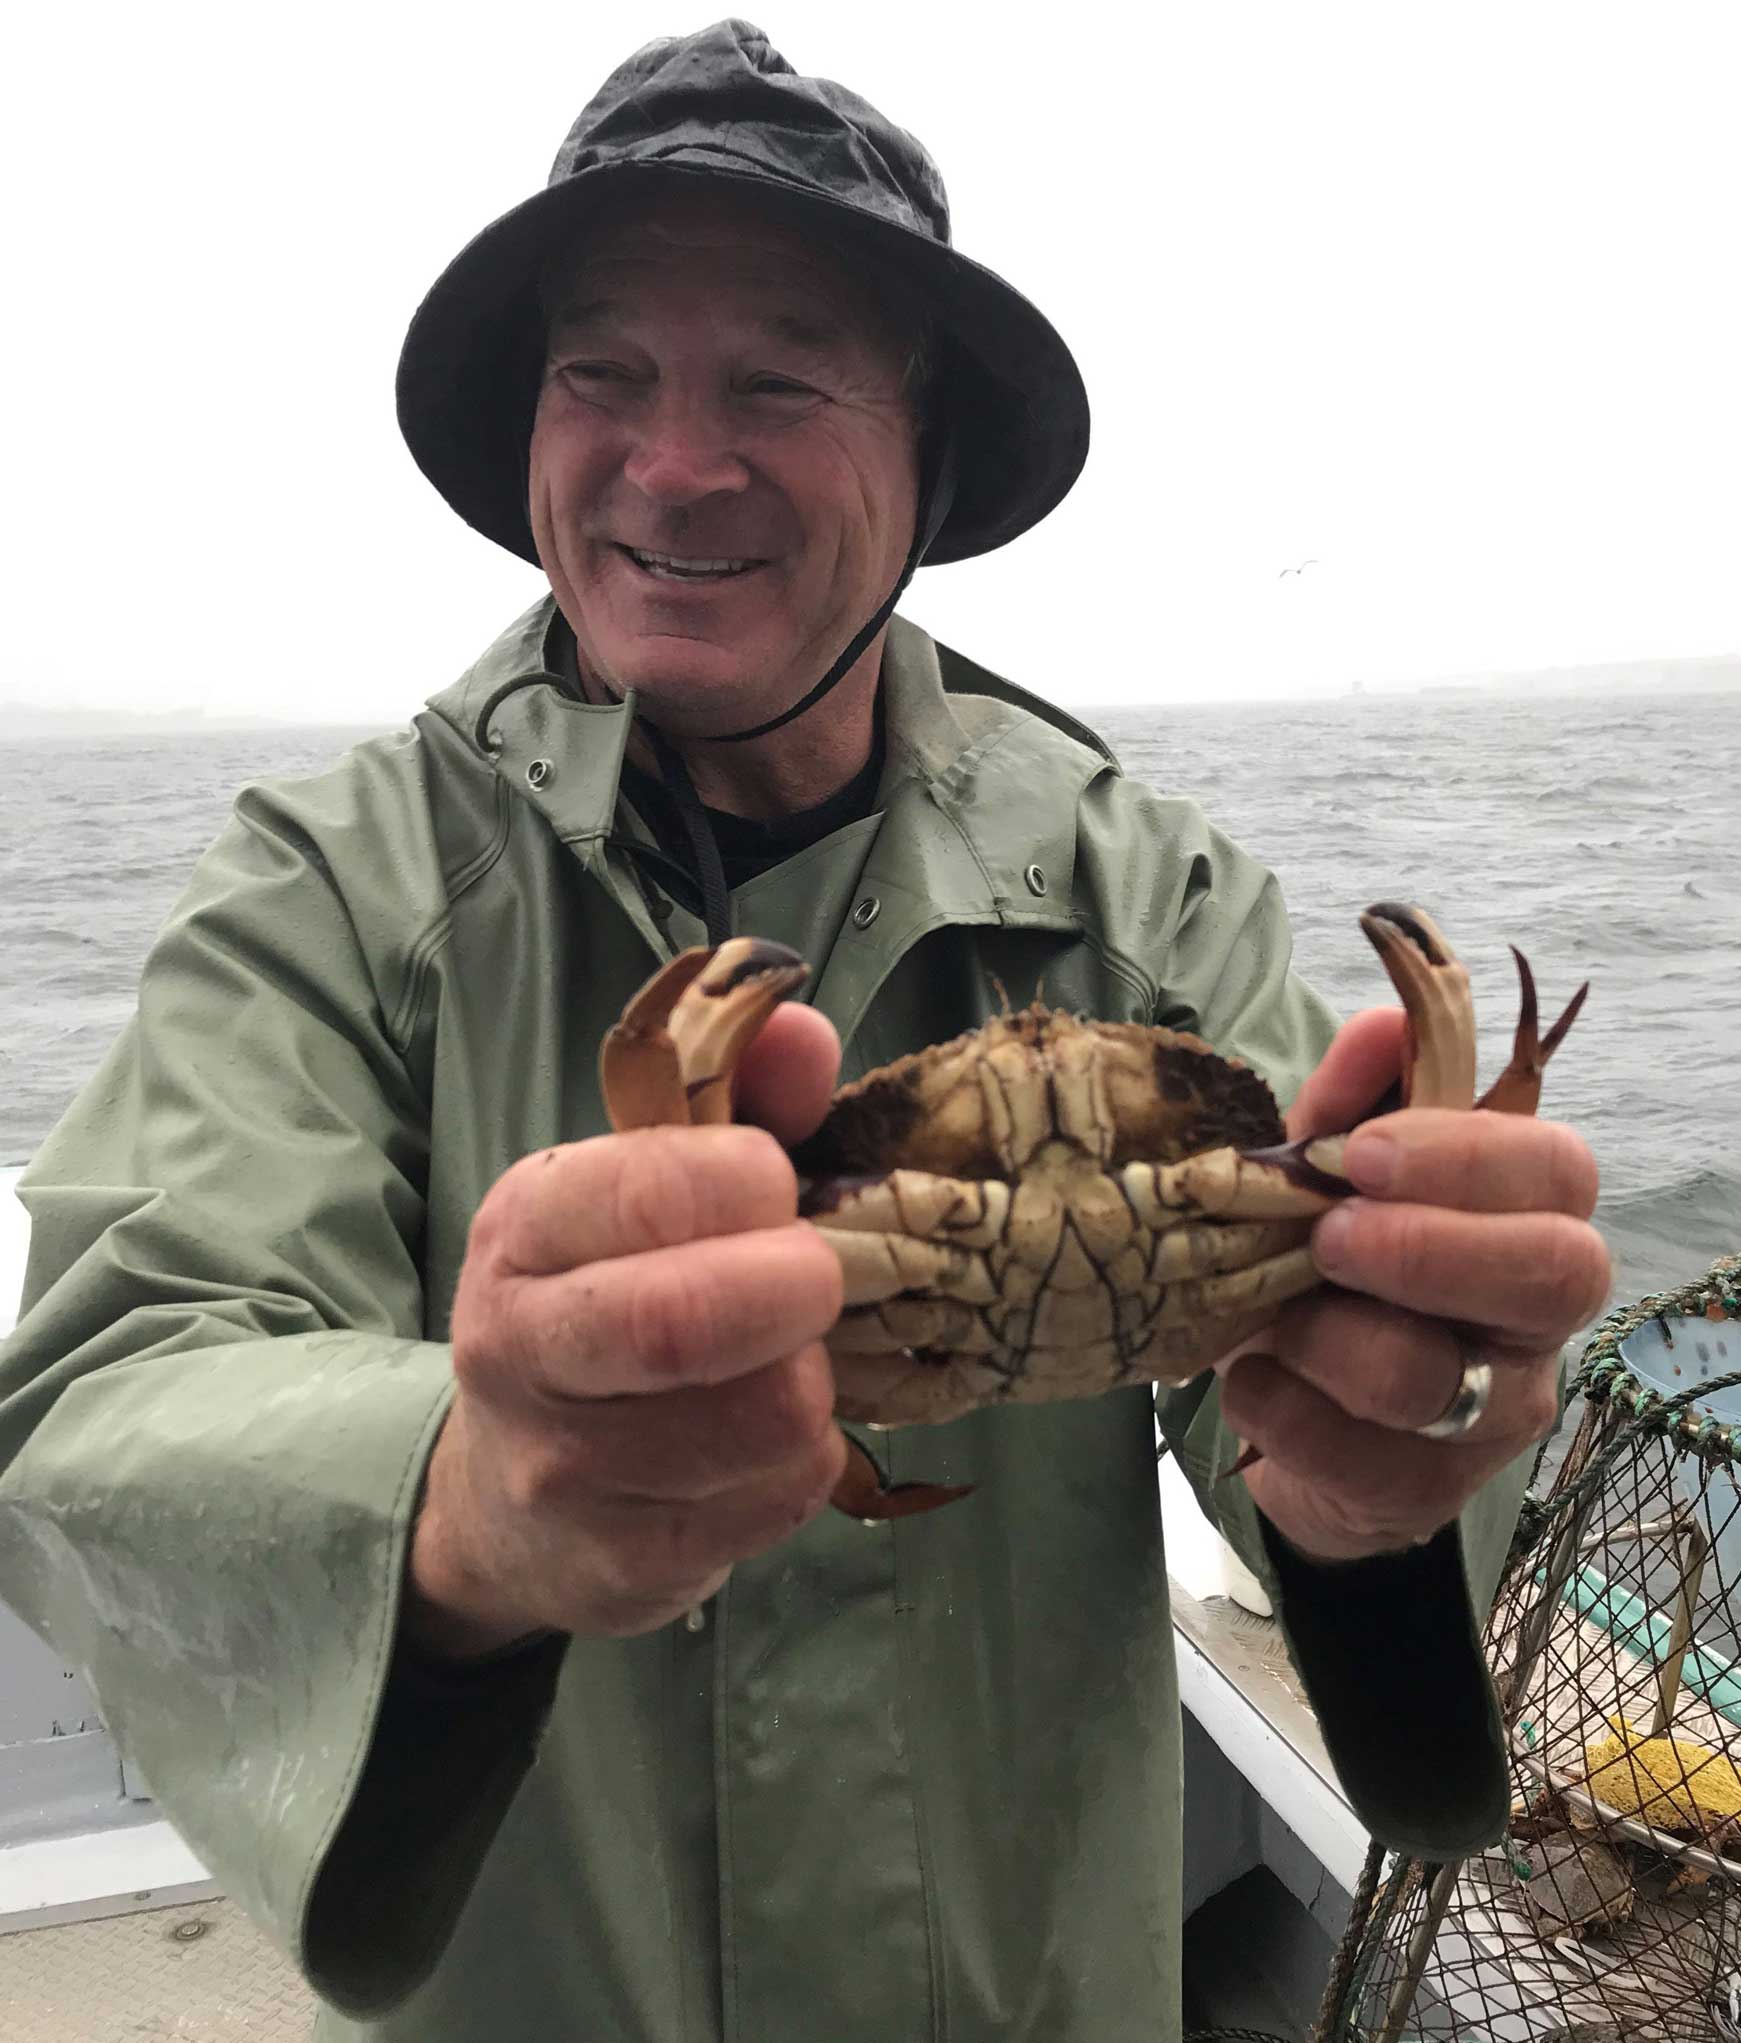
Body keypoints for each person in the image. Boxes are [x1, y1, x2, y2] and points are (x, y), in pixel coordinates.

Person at [0, 23, 1609, 2041]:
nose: (676, 463)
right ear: (529, 433)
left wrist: (1400, 1444)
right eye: (604, 372)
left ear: (923, 454)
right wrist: (462, 1490)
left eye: (777, 375)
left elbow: (1311, 1372)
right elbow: (99, 1403)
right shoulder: (338, 882)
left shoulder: (1143, 888)